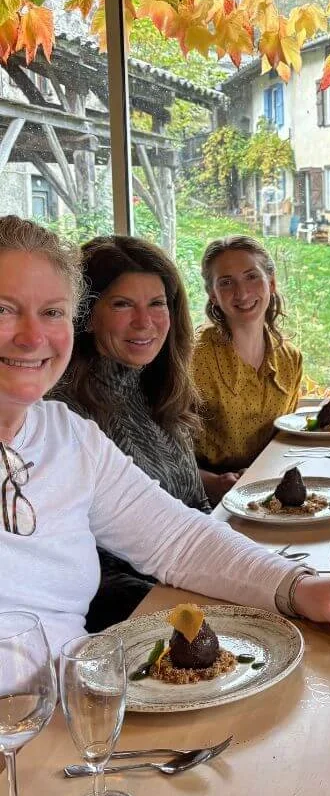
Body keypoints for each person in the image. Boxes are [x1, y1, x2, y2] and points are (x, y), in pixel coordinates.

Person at [0, 215, 330, 655]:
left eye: (51, 311)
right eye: (3, 309)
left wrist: (302, 587)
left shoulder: (65, 434)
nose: (32, 336)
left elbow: (176, 539)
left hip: (76, 697)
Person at [52, 235, 210, 630]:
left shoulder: (155, 389)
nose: (145, 322)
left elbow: (197, 507)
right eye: (123, 304)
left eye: (157, 304)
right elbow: (90, 571)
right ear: (86, 315)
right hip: (128, 623)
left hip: (188, 587)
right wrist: (197, 608)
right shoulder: (63, 413)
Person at [192, 235, 302, 504]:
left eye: (251, 276)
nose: (242, 293)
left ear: (272, 283)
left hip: (271, 496)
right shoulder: (193, 357)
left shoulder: (291, 360)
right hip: (203, 501)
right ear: (213, 295)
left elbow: (287, 441)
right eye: (226, 282)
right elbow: (161, 453)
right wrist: (213, 483)